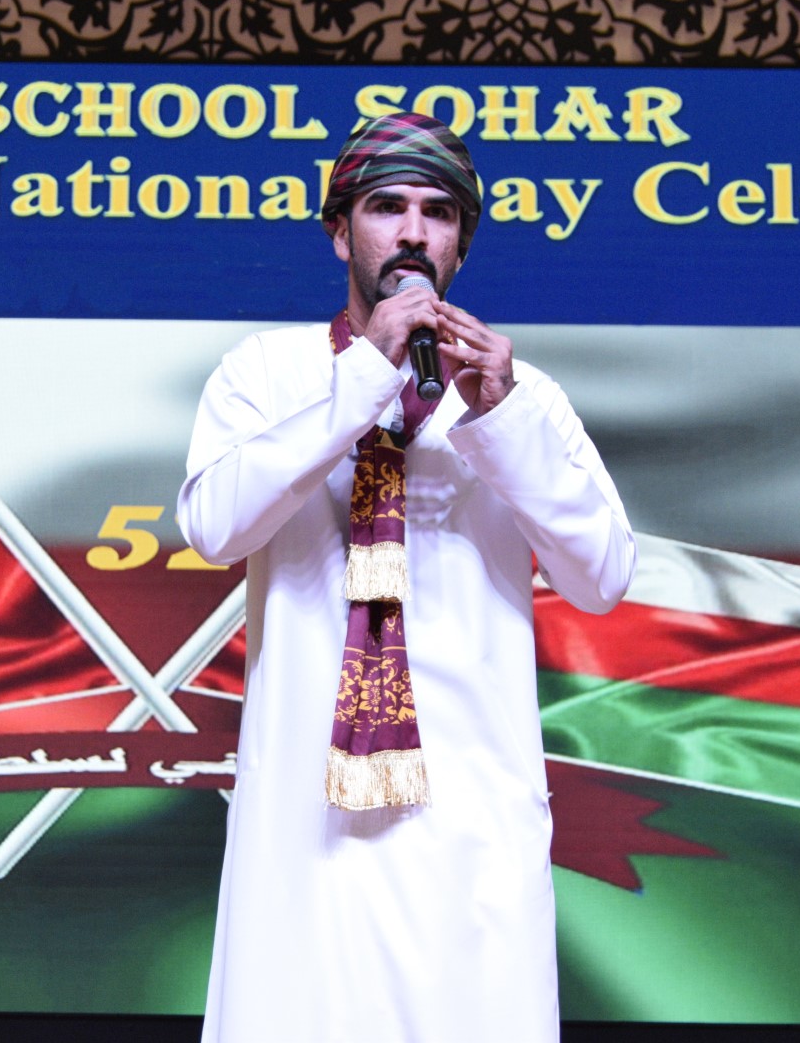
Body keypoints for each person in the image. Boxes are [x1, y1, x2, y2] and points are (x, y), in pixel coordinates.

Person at [177, 112, 636, 1043]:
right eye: (388, 207)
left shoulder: (521, 394)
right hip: (307, 812)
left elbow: (602, 578)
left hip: (471, 808)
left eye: (439, 212)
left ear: (461, 244)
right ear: (339, 232)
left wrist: (501, 422)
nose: (414, 232)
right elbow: (216, 528)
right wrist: (360, 382)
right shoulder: (266, 372)